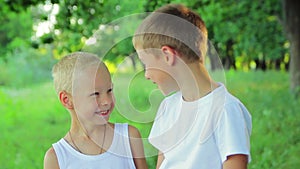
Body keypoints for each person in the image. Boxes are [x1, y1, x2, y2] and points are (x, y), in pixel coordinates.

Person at [133, 4, 251, 169]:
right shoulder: (168, 107)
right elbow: (163, 161)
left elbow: (235, 163)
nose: (146, 74)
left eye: (146, 63)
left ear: (167, 55)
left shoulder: (225, 108)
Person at [43, 52, 148, 169]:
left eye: (109, 90)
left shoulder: (129, 137)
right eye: (95, 94)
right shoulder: (56, 158)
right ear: (67, 100)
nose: (107, 101)